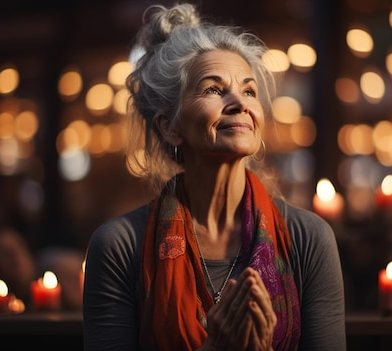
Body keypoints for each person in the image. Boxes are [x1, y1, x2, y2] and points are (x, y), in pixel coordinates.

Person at [82, 3, 345, 350]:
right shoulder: (120, 246)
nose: (240, 102)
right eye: (213, 90)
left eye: (249, 91)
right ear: (170, 126)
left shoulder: (308, 240)